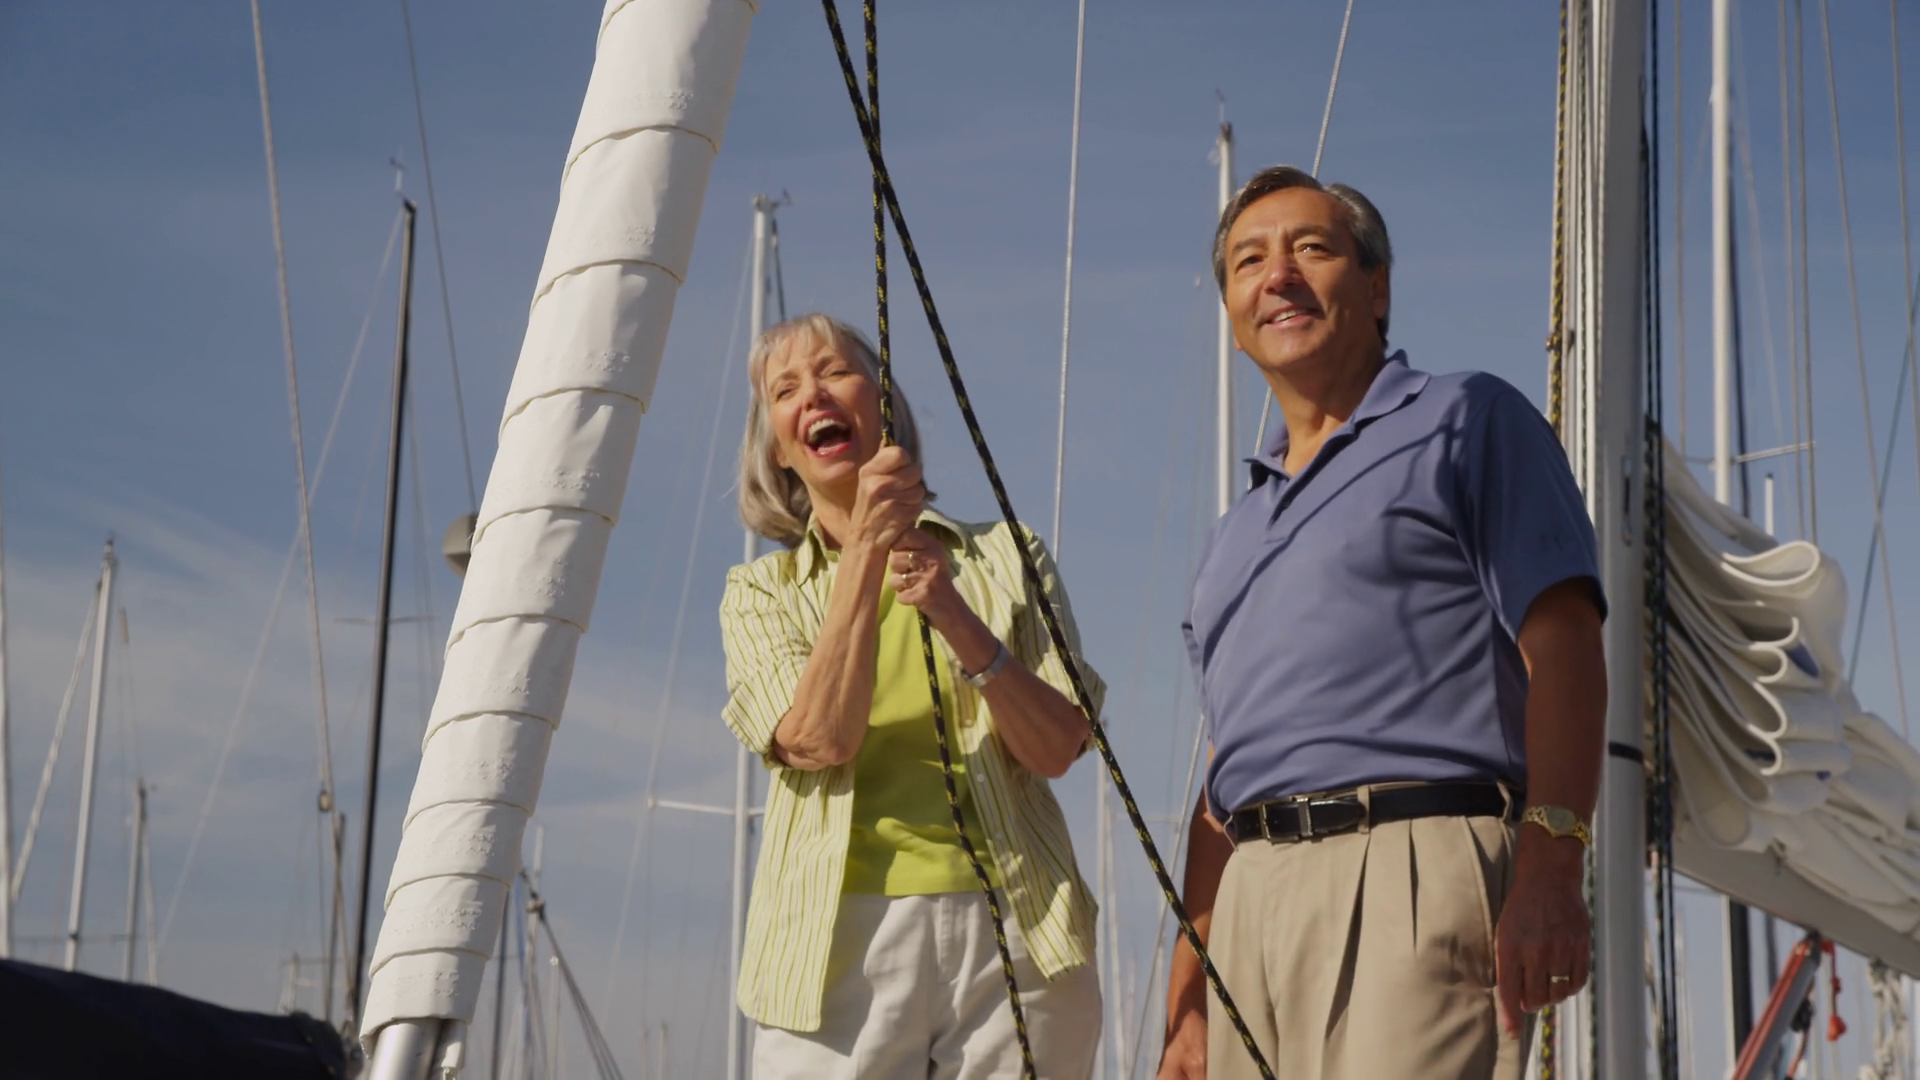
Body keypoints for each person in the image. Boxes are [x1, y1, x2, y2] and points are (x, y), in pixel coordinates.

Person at [1156, 167, 1608, 1080]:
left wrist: (1553, 863)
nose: (1278, 276)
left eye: (1310, 248)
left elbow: (1564, 644)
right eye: (1249, 261)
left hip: (1413, 867)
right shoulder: (1228, 540)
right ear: (1234, 317)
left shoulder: (1467, 419)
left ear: (1377, 287)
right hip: (1249, 898)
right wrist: (1188, 999)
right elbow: (1219, 779)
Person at [719, 312, 1105, 1079]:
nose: (813, 394)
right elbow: (819, 740)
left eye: (835, 371)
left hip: (1019, 923)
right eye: (785, 390)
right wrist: (866, 547)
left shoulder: (1009, 555)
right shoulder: (758, 593)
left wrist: (955, 614)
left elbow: (1059, 746)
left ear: (884, 409)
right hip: (833, 946)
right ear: (779, 451)